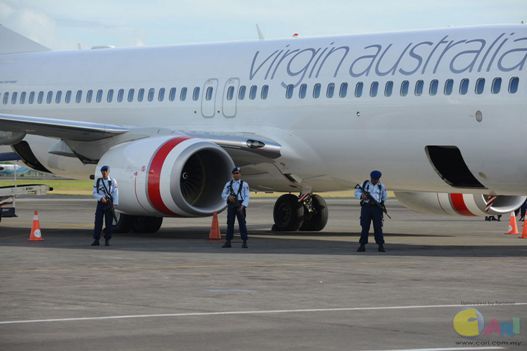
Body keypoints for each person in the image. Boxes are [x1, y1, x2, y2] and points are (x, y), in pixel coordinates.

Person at [355, 170, 388, 252]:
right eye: (373, 179)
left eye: (376, 179)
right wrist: (361, 196)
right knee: (365, 226)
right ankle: (362, 245)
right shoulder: (365, 184)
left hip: (377, 208)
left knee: (378, 227)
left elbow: (384, 197)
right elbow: (356, 193)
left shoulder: (382, 186)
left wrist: (381, 205)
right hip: (366, 208)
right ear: (371, 178)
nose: (374, 180)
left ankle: (380, 245)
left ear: (378, 179)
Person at [221, 166, 250, 248]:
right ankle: (228, 241)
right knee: (230, 223)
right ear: (232, 174)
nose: (236, 175)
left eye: (238, 173)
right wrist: (228, 197)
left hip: (240, 204)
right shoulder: (228, 184)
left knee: (242, 224)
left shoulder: (244, 184)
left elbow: (247, 196)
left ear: (240, 174)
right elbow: (223, 194)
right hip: (231, 204)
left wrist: (243, 206)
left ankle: (244, 241)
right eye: (235, 173)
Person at [92, 165, 119, 246]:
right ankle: (96, 239)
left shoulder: (113, 181)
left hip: (109, 203)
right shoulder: (98, 181)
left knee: (109, 223)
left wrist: (115, 203)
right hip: (101, 203)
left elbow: (115, 193)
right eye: (102, 172)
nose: (104, 173)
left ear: (108, 172)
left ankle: (107, 240)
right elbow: (94, 193)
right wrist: (101, 198)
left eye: (105, 172)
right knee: (98, 222)